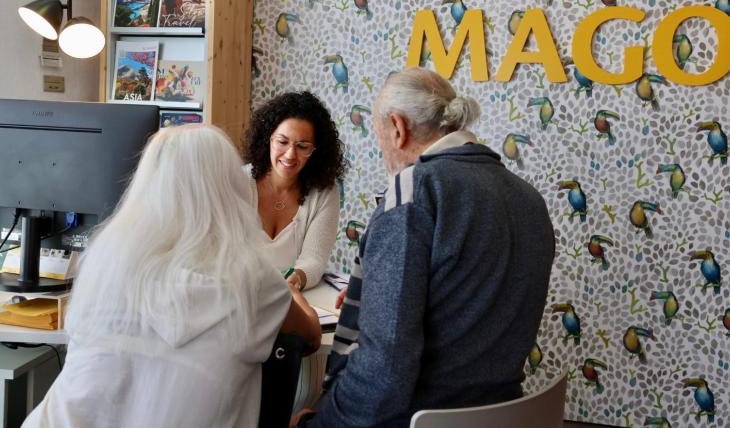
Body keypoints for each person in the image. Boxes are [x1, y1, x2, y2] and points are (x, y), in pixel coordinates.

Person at [298, 68, 556, 427]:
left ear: (397, 128)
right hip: (505, 414)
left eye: (379, 137)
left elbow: (382, 373)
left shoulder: (413, 194)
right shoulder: (528, 198)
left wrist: (323, 423)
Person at [23, 125, 321, 428]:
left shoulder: (103, 262)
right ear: (231, 190)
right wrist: (292, 294)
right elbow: (310, 334)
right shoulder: (253, 279)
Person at [242, 91, 346, 291]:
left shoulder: (324, 193)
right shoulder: (238, 182)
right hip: (239, 295)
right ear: (268, 139)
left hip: (291, 296)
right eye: (282, 142)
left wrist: (296, 278)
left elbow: (314, 260)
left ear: (315, 151)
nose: (290, 154)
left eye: (302, 146)